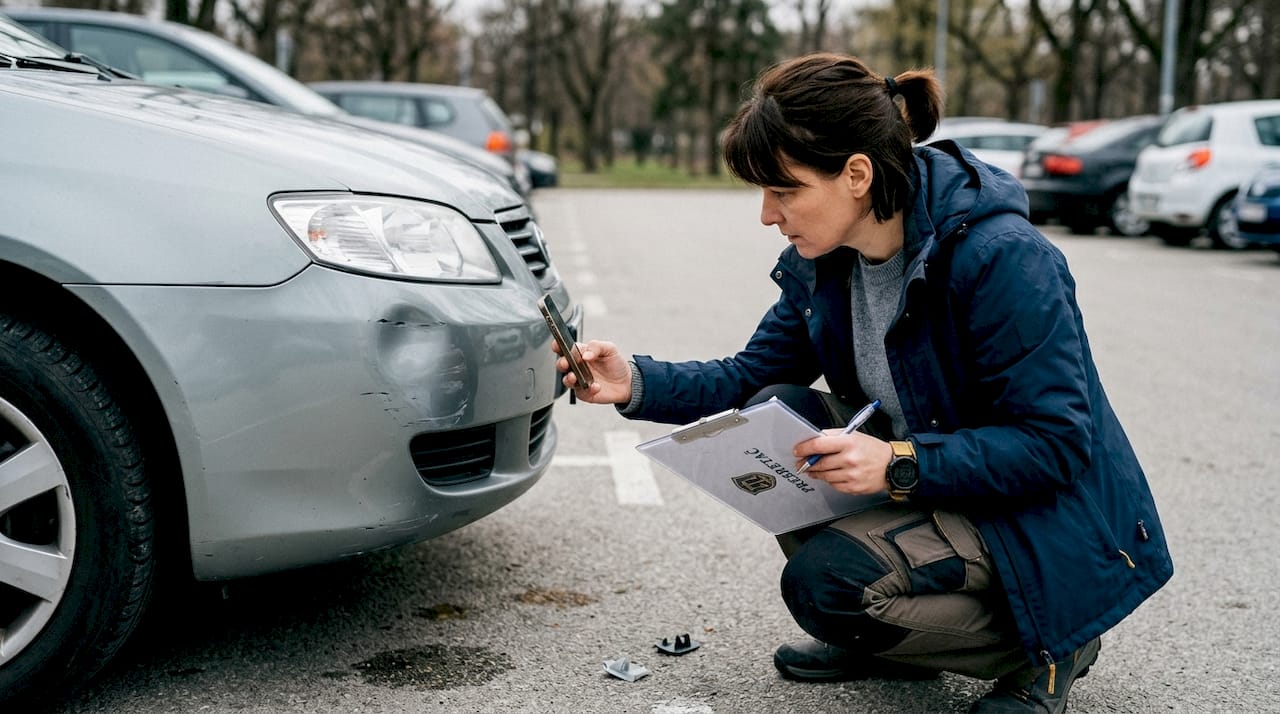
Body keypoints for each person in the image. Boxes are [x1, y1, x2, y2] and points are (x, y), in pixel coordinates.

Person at [554, 52, 1172, 714]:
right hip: (940, 476)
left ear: (856, 175)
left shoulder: (1003, 260)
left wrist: (898, 463)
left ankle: (1051, 646)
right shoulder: (827, 259)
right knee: (777, 410)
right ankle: (894, 643)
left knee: (830, 588)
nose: (767, 214)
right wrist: (634, 382)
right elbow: (751, 375)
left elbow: (1054, 445)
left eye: (784, 191)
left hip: (1038, 514)